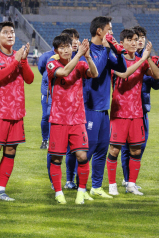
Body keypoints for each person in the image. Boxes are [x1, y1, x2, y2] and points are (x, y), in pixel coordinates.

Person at [0, 21, 33, 203]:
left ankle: (0, 190)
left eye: (12, 32)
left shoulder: (19, 56)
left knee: (10, 151)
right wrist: (16, 60)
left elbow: (30, 79)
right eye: (5, 32)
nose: (10, 35)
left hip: (17, 112)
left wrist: (23, 60)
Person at [105, 29, 159, 196]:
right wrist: (143, 59)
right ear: (122, 44)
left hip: (137, 113)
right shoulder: (115, 60)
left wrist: (148, 58)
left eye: (136, 39)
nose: (135, 42)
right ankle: (112, 184)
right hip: (119, 112)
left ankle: (131, 184)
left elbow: (157, 76)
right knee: (114, 150)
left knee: (136, 150)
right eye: (130, 40)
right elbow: (124, 75)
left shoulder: (142, 61)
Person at [46, 34, 97, 204]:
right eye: (61, 47)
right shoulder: (52, 64)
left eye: (67, 46)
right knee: (56, 158)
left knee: (82, 156)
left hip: (77, 119)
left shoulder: (81, 64)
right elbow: (65, 72)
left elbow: (94, 73)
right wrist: (79, 54)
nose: (65, 49)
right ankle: (59, 192)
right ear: (56, 51)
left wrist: (88, 57)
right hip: (59, 119)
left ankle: (81, 192)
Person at [119, 26, 159, 191]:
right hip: (124, 109)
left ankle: (130, 179)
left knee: (140, 145)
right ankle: (127, 180)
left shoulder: (148, 59)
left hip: (142, 110)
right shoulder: (123, 58)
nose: (139, 40)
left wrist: (150, 61)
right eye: (135, 38)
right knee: (125, 147)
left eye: (142, 37)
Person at [82, 16, 120, 199]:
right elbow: (95, 73)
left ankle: (96, 186)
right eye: (109, 29)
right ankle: (81, 187)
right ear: (99, 31)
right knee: (88, 149)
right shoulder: (85, 50)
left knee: (102, 149)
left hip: (104, 108)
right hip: (90, 107)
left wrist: (117, 50)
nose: (111, 32)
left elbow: (120, 66)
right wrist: (106, 49)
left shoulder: (106, 50)